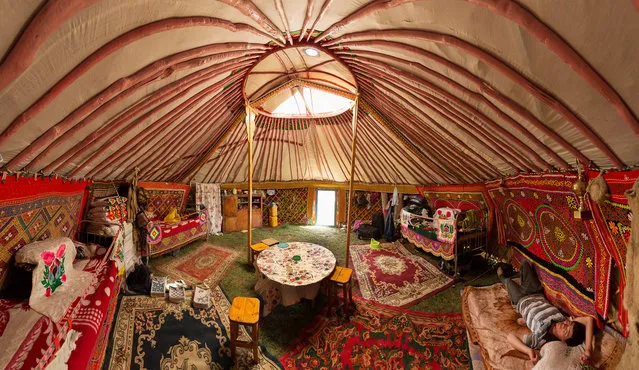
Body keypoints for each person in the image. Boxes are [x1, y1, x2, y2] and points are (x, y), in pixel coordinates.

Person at [497, 261, 595, 365]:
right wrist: (588, 350)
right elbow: (588, 319)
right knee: (524, 264)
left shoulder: (542, 337)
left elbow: (510, 337)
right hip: (535, 292)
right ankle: (518, 277)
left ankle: (502, 277)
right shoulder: (562, 319)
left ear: (564, 341)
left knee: (508, 281)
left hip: (520, 300)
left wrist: (528, 351)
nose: (564, 325)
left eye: (566, 331)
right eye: (568, 324)